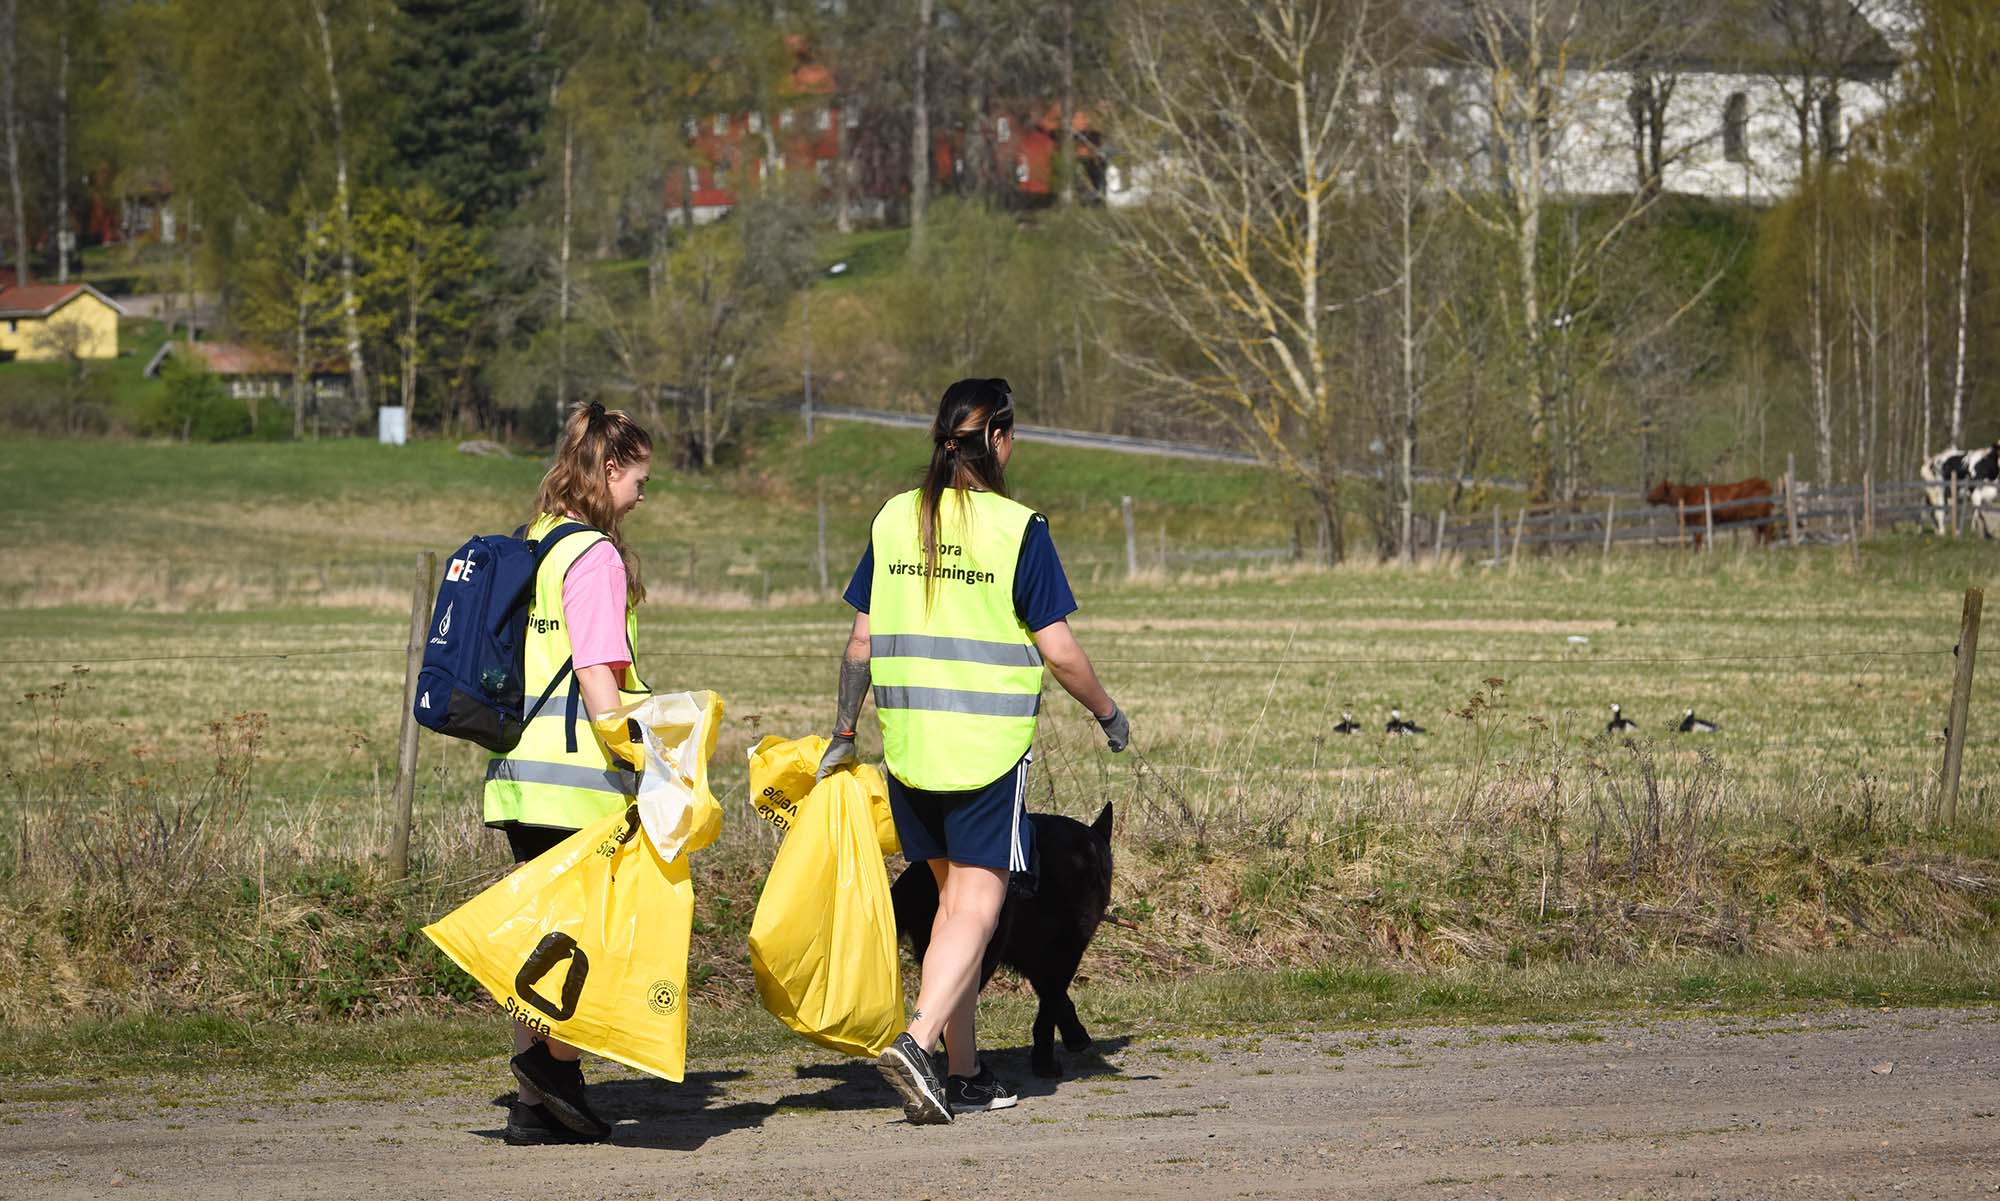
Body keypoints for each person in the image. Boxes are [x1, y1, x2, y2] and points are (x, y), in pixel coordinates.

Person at [816, 377, 1130, 1124]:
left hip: (910, 750)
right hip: (983, 753)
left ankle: (963, 1072)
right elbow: (1059, 651)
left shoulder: (894, 518)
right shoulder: (1018, 529)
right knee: (978, 909)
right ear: (997, 440)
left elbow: (860, 641)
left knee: (951, 908)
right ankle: (918, 1042)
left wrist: (844, 730)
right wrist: (1108, 712)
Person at [483, 400, 654, 1146]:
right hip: (574, 775)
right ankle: (560, 1070)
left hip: (519, 771)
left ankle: (531, 1100)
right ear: (609, 469)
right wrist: (648, 759)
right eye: (639, 479)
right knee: (583, 940)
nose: (644, 495)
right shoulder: (594, 556)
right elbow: (596, 677)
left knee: (540, 935)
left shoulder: (536, 543)